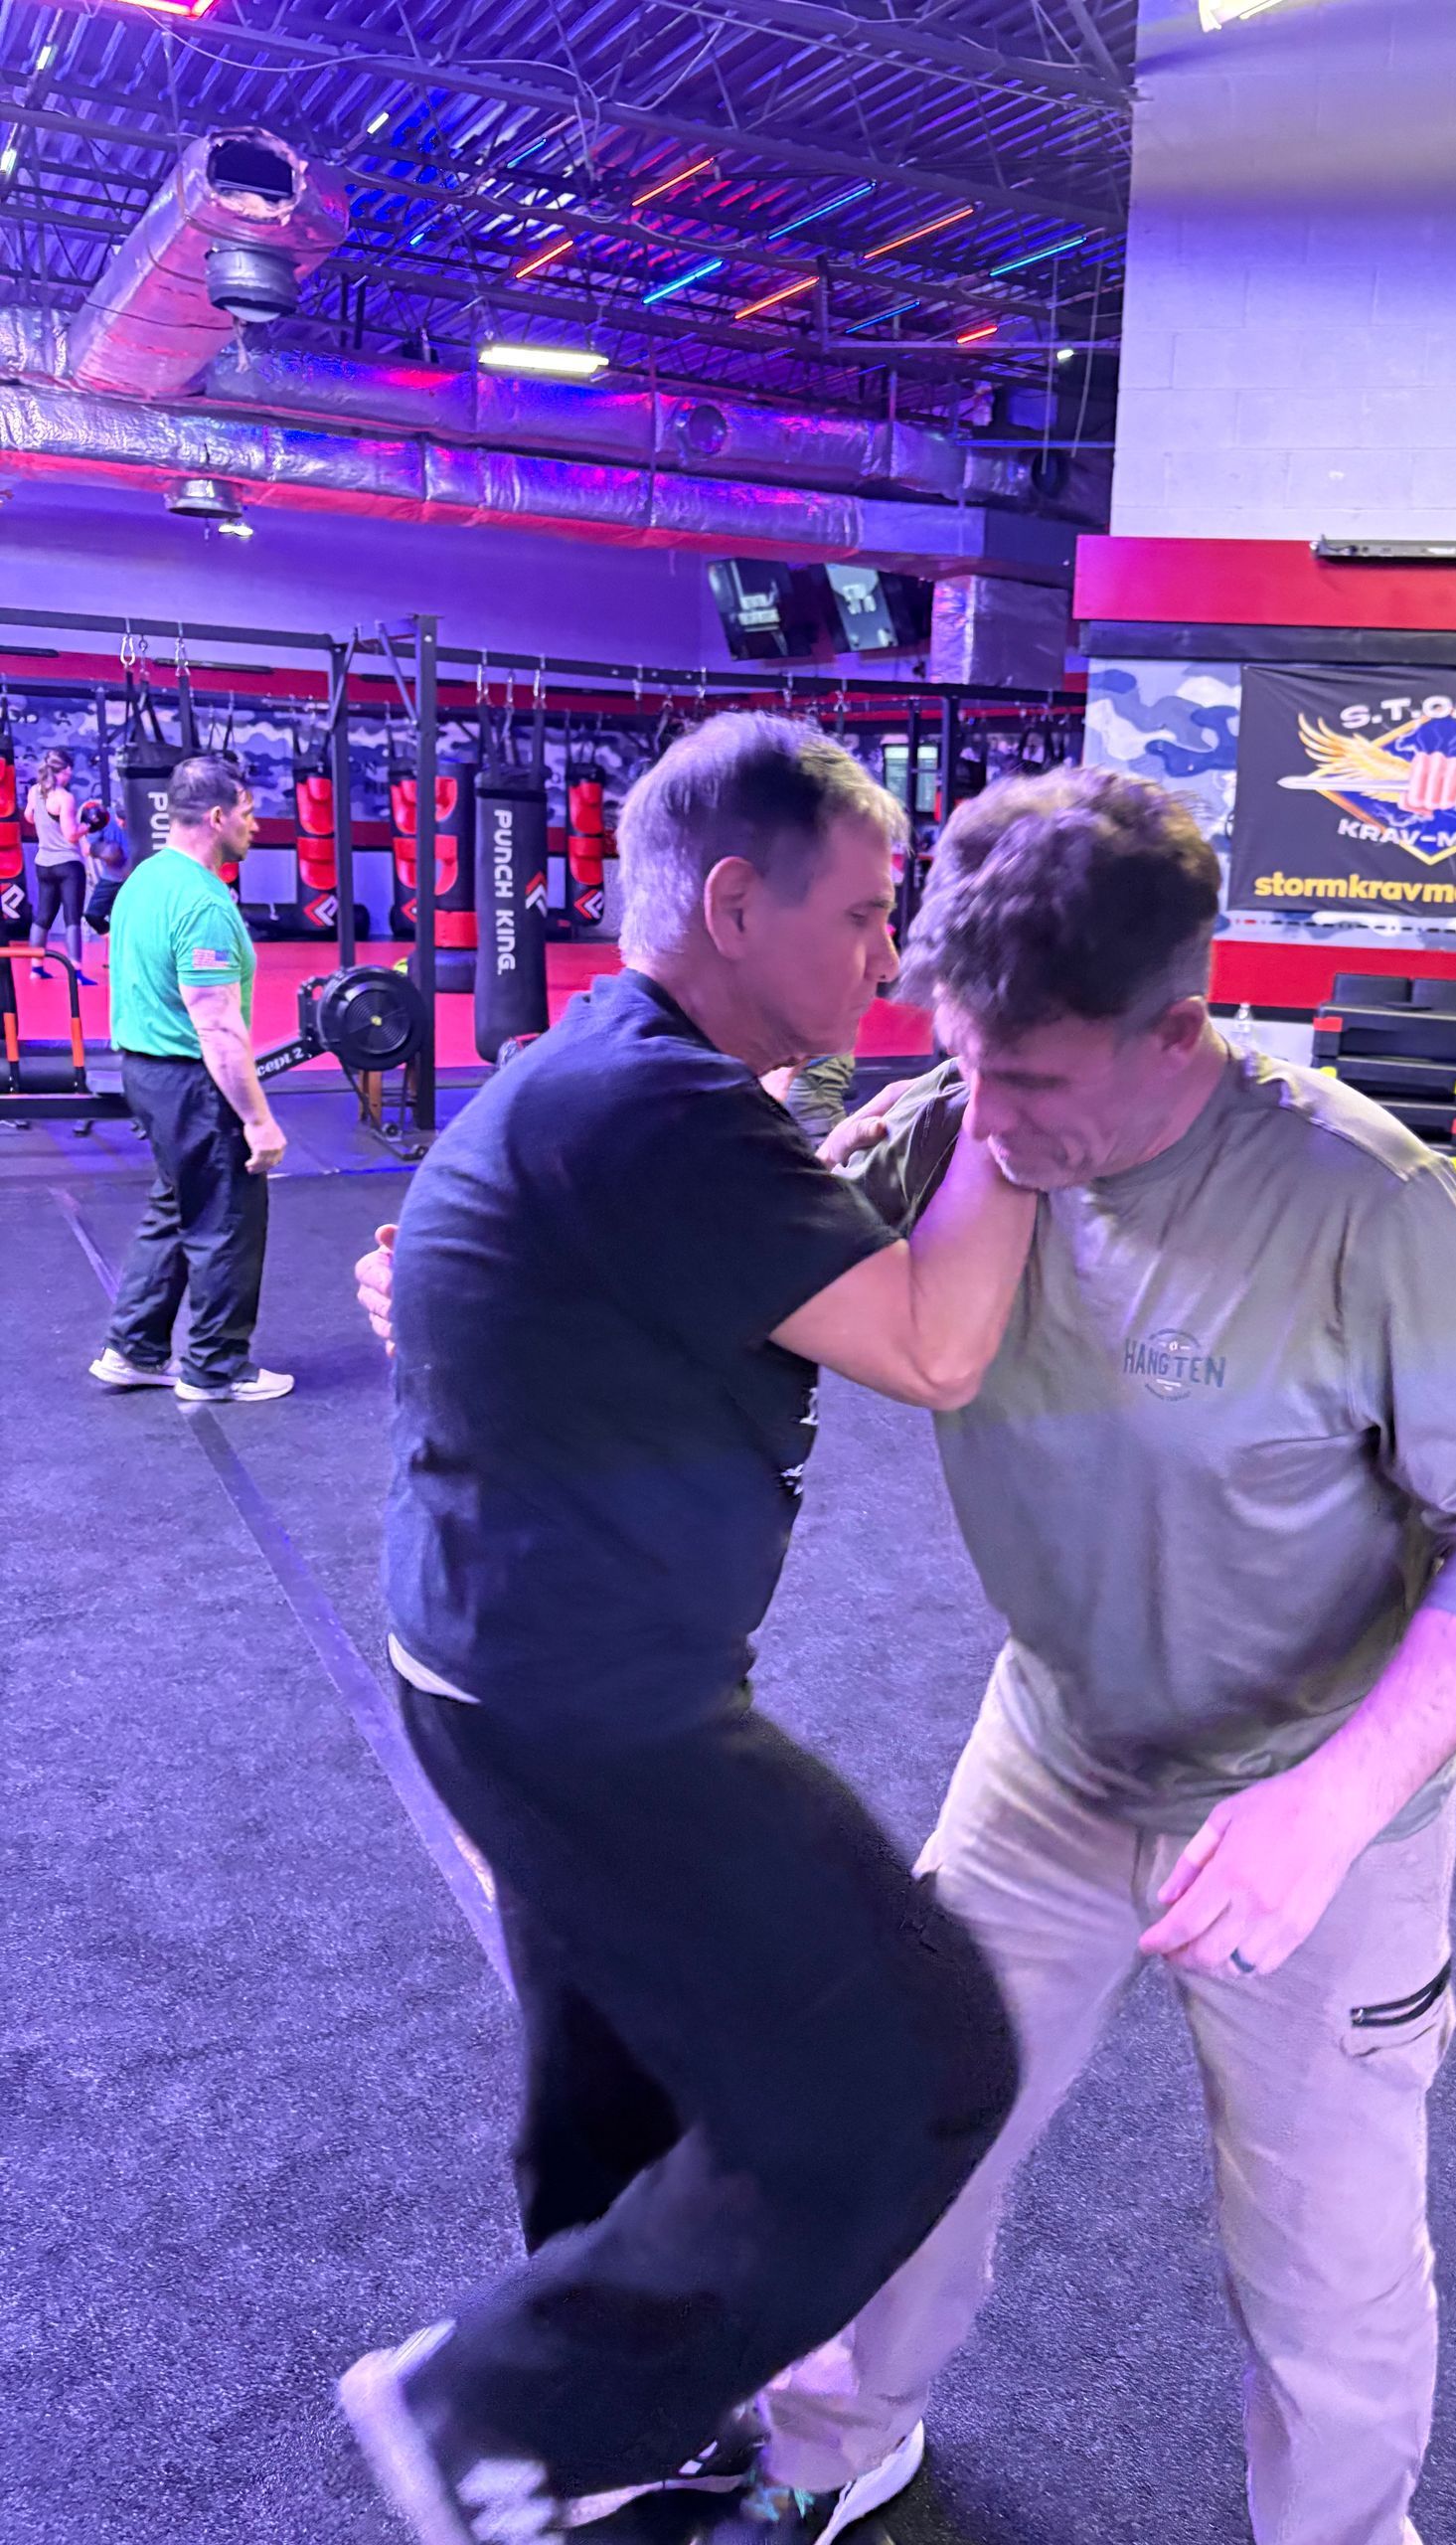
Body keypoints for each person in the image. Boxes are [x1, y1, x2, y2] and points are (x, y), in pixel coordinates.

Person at [355, 765, 1456, 2545]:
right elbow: (683, 1245)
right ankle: (835, 2446)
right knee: (897, 2137)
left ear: (1179, 1030)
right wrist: (474, 1280)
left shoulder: (1363, 1204)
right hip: (1057, 1759)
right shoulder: (957, 1123)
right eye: (964, 1060)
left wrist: (1337, 1801)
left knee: (1327, 2261)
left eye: (1035, 1082)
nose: (988, 1119)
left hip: (1316, 1797)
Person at [339, 716, 1033, 2545]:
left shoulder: (610, 1069)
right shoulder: (660, 1108)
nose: (890, 960)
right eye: (864, 917)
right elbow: (935, 1348)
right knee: (915, 2059)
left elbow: (496, 1264)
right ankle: (489, 2406)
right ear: (734, 904)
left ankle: (600, 2449)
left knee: (626, 2058)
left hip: (498, 1655)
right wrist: (1020, 1125)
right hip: (591, 1698)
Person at [87, 756, 292, 1405]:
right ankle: (216, 1367)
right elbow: (218, 1028)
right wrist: (258, 1120)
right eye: (249, 813)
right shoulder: (202, 903)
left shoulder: (145, 879)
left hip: (144, 1073)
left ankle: (134, 1349)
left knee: (177, 1206)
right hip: (193, 1081)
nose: (255, 826)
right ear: (217, 816)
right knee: (228, 1218)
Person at [26, 747, 92, 983]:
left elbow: (29, 817)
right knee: (72, 918)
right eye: (68, 771)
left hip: (43, 864)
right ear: (64, 771)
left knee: (43, 916)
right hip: (67, 864)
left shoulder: (35, 791)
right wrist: (89, 826)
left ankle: (36, 968)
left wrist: (46, 825)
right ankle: (76, 972)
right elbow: (71, 835)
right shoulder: (64, 797)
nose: (70, 775)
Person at [80, 797, 134, 934]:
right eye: (119, 817)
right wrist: (101, 850)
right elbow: (86, 849)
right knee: (93, 916)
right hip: (111, 878)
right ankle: (113, 941)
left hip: (134, 879)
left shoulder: (143, 822)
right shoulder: (104, 818)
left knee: (127, 921)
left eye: (125, 819)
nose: (121, 822)